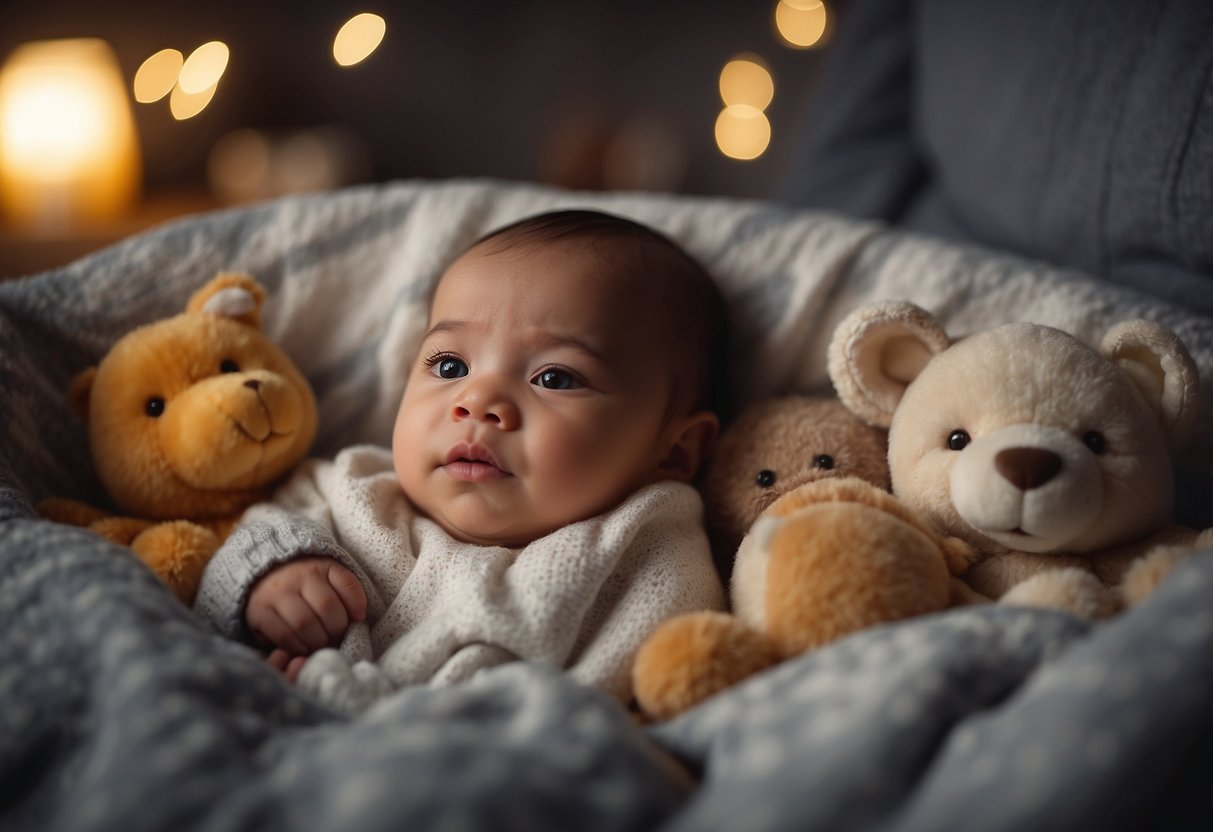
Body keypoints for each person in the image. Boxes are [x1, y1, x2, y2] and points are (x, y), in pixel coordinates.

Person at [194, 209, 730, 713]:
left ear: (675, 451)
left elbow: (627, 695)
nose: (476, 402)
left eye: (555, 378)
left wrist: (355, 705)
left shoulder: (645, 548)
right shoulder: (360, 488)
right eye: (450, 365)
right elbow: (249, 539)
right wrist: (270, 579)